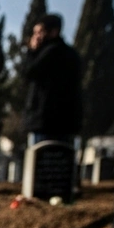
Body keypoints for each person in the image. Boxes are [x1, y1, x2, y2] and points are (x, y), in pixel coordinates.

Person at [21, 14, 82, 145]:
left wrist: (32, 51)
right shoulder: (72, 54)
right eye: (35, 33)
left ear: (53, 32)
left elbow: (29, 73)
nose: (36, 37)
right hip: (66, 122)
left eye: (40, 32)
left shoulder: (49, 53)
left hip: (44, 121)